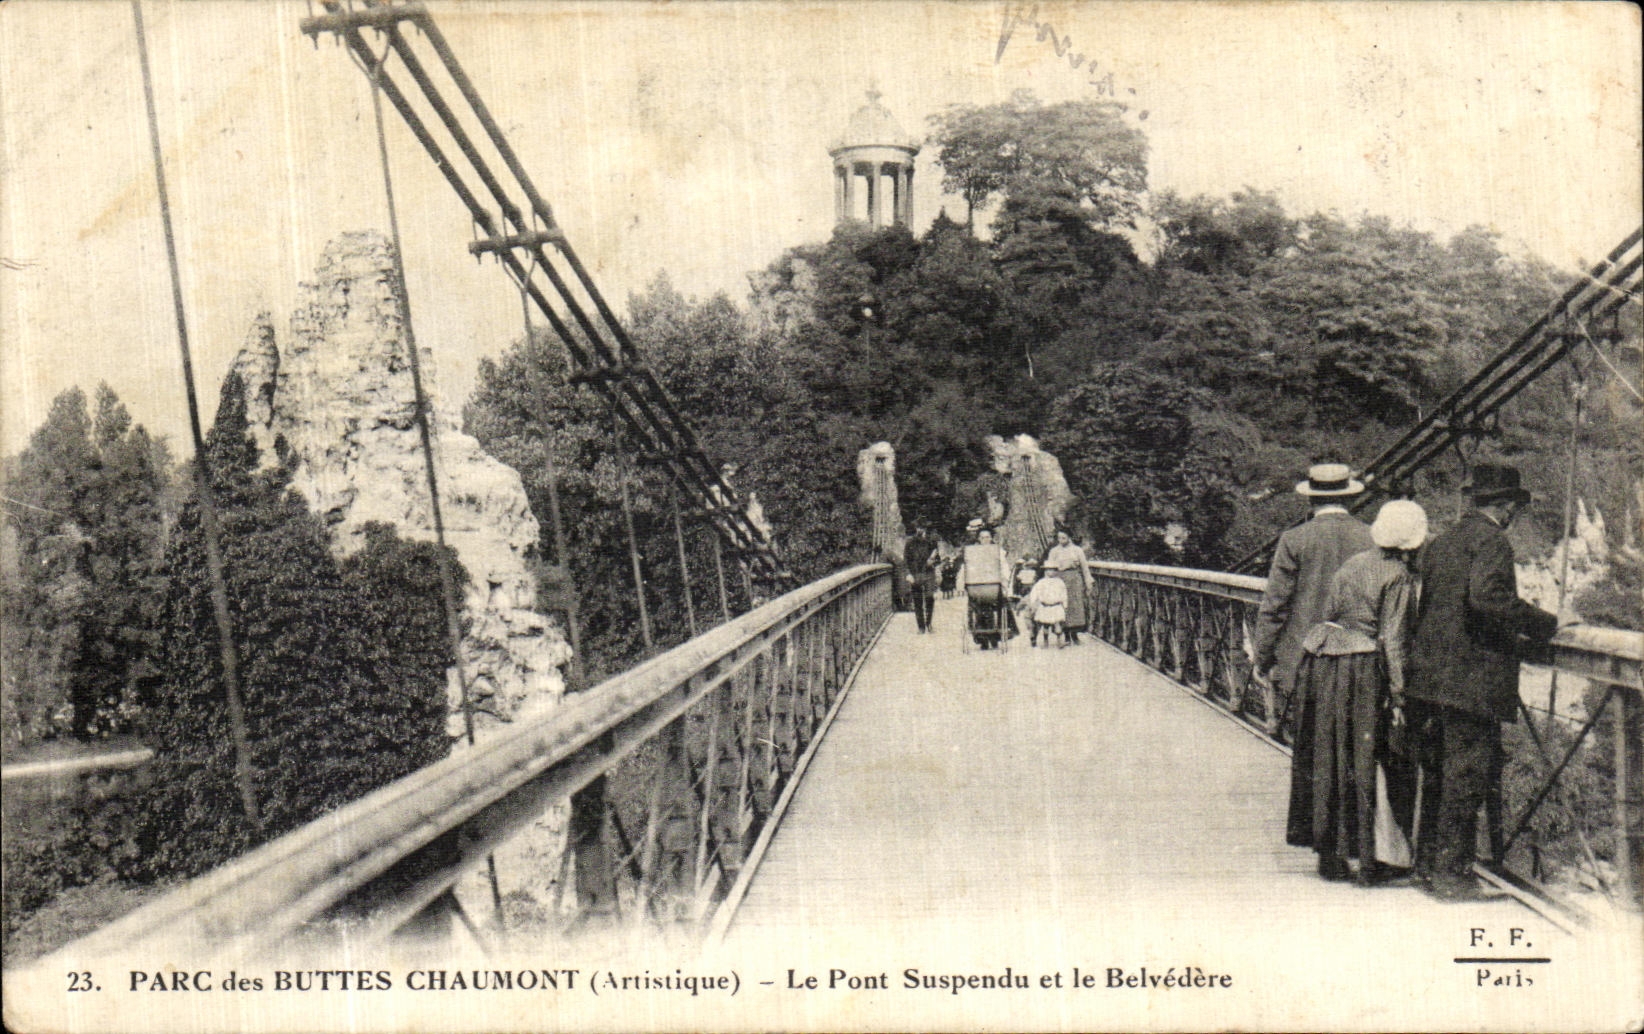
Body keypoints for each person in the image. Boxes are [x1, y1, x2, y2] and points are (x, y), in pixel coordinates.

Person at [1407, 463, 1558, 902]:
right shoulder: (1492, 540)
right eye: (1513, 506)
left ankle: (1427, 868)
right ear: (1506, 505)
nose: (1513, 515)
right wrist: (1545, 624)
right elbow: (1487, 599)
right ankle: (1453, 877)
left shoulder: (1441, 543)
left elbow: (1437, 607)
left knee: (1437, 774)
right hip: (1471, 680)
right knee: (1467, 776)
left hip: (1431, 679)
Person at [1294, 499, 1426, 885]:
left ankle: (1330, 854)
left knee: (1331, 755)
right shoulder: (1398, 576)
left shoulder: (1352, 564)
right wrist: (1401, 695)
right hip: (1364, 669)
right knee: (1369, 758)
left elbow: (1330, 613)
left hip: (1326, 664)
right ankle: (1372, 860)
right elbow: (1395, 640)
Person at [1253, 462, 1376, 849]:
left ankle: (1316, 836)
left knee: (1311, 750)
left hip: (1307, 660)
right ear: (1348, 495)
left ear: (1312, 497)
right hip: (1361, 659)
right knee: (1357, 749)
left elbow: (1275, 605)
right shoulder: (1370, 536)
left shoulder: (1295, 539)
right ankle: (1355, 837)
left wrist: (1263, 657)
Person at [958, 527, 1010, 649]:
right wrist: (961, 583)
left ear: (991, 538)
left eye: (987, 537)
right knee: (977, 608)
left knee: (999, 606)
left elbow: (1003, 567)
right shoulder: (973, 552)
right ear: (978, 539)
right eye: (982, 537)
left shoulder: (998, 551)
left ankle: (995, 637)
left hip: (994, 585)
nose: (985, 540)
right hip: (976, 586)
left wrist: (1004, 582)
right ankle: (981, 639)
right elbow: (965, 567)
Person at [1043, 529, 1092, 645]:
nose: (1061, 540)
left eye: (1064, 538)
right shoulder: (1054, 551)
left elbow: (1084, 567)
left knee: (1074, 606)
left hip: (1074, 580)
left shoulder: (1077, 550)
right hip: (1059, 579)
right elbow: (1049, 567)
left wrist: (1088, 583)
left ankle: (1074, 635)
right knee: (1061, 606)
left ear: (1069, 537)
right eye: (1059, 538)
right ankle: (1065, 635)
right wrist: (1047, 583)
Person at [903, 524, 939, 634]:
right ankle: (921, 626)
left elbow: (938, 559)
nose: (920, 530)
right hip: (915, 574)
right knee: (917, 600)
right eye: (919, 528)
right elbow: (905, 560)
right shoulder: (910, 543)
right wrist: (908, 574)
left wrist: (932, 560)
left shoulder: (931, 542)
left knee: (929, 597)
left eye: (922, 528)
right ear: (915, 529)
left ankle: (929, 623)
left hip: (928, 573)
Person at [1024, 564, 1068, 647]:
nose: (1050, 572)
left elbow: (1064, 593)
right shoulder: (1041, 582)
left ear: (1056, 571)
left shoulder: (1059, 582)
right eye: (1048, 570)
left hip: (1056, 606)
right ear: (1045, 571)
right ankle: (1045, 640)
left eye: (1052, 570)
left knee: (1057, 624)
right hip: (1045, 606)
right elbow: (1034, 593)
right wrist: (1033, 603)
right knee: (1045, 625)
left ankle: (1059, 641)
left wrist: (1065, 604)